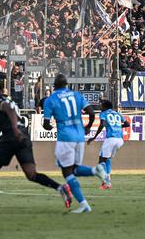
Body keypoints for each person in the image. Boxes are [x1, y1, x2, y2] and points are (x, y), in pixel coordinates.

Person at [0, 75, 72, 214]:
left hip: (13, 137)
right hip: (23, 137)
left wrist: (15, 130)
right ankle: (61, 188)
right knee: (31, 174)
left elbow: (9, 112)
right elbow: (8, 119)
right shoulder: (8, 100)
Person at [42, 73, 106, 213]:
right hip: (79, 136)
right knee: (75, 169)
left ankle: (84, 204)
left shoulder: (51, 99)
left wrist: (53, 126)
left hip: (65, 137)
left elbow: (46, 124)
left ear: (54, 86)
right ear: (67, 85)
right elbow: (91, 113)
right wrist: (88, 127)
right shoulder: (77, 95)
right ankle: (96, 170)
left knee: (67, 173)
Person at [87, 99, 128, 189]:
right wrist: (116, 126)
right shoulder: (117, 113)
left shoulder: (103, 113)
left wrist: (94, 137)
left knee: (101, 160)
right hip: (120, 140)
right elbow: (127, 124)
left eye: (101, 104)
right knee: (107, 158)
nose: (99, 106)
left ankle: (106, 183)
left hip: (111, 139)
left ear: (105, 106)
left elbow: (102, 125)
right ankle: (108, 180)